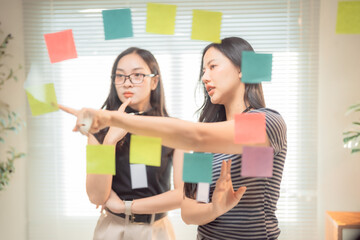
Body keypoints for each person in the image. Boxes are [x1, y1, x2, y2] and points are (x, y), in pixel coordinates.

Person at [60, 37, 287, 240]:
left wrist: (113, 119)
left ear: (242, 69)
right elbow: (189, 211)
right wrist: (215, 208)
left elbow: (195, 137)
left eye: (213, 66)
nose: (205, 77)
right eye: (203, 70)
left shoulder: (267, 122)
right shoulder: (203, 141)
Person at [84, 47, 184, 240]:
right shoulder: (98, 130)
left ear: (154, 81)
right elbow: (96, 196)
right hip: (112, 230)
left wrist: (125, 206)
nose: (127, 83)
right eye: (120, 76)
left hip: (156, 230)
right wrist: (110, 142)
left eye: (137, 75)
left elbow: (183, 194)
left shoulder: (174, 129)